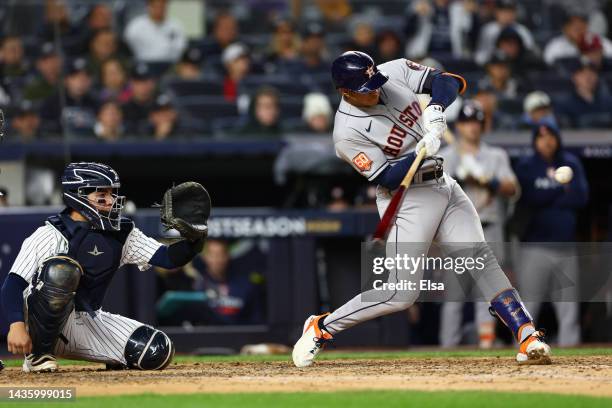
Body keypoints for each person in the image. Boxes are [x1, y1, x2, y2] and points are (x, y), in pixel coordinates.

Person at [292, 51, 551, 367]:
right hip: (406, 199)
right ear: (345, 92)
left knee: (481, 259)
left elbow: (449, 81)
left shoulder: (394, 71)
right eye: (365, 88)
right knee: (400, 294)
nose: (374, 90)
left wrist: (437, 110)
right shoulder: (346, 133)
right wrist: (417, 151)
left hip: (443, 183)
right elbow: (384, 174)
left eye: (374, 82)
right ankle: (321, 326)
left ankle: (527, 334)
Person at [0, 162, 208, 372]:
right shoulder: (49, 234)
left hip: (87, 319)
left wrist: (194, 241)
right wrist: (16, 326)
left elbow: (168, 258)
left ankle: (108, 355)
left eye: (112, 193)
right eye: (102, 194)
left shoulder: (121, 233)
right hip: (38, 323)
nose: (111, 200)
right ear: (77, 195)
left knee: (156, 352)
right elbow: (12, 285)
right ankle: (38, 355)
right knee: (61, 271)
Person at [438, 100, 518, 349]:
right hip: (457, 232)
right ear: (459, 126)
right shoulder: (447, 156)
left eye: (476, 122)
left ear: (483, 125)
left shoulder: (496, 155)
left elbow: (511, 188)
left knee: (489, 295)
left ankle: (486, 345)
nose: (472, 127)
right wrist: (459, 177)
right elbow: (435, 195)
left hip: (488, 230)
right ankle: (446, 350)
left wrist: (487, 180)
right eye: (467, 122)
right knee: (453, 298)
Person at [513, 124, 589, 346]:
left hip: (566, 247)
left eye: (551, 137)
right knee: (528, 307)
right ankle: (524, 349)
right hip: (534, 248)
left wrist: (547, 195)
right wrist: (559, 189)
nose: (546, 141)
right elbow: (530, 198)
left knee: (568, 308)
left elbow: (581, 198)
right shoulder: (526, 165)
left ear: (557, 139)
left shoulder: (571, 162)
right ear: (535, 141)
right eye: (541, 137)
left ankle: (571, 356)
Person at [189, 240, 265, 325]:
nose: (218, 260)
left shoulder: (245, 285)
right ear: (205, 257)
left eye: (222, 254)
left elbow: (256, 322)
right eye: (214, 255)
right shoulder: (197, 286)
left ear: (228, 255)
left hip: (238, 335)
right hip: (207, 336)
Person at [40, 58, 99, 136]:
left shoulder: (96, 103)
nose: (82, 79)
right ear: (66, 80)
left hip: (91, 146)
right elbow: (46, 131)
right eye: (75, 76)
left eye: (86, 75)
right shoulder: (52, 103)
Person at [475, 0, 537, 66]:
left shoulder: (522, 31)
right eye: (503, 11)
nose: (507, 15)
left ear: (515, 13)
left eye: (510, 11)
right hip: (494, 66)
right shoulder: (488, 30)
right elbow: (480, 55)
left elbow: (530, 52)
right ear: (496, 12)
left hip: (517, 66)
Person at [556, 59, 612, 128]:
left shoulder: (608, 101)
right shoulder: (563, 103)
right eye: (582, 73)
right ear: (574, 77)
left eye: (592, 73)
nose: (588, 77)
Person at [543, 12, 612, 66]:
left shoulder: (602, 42)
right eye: (575, 28)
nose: (579, 31)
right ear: (565, 30)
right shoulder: (555, 46)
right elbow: (550, 68)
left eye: (581, 27)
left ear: (586, 27)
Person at [121, 63, 157, 135]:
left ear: (153, 82)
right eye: (138, 81)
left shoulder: (162, 106)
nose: (142, 85)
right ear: (131, 83)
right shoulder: (122, 109)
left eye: (146, 80)